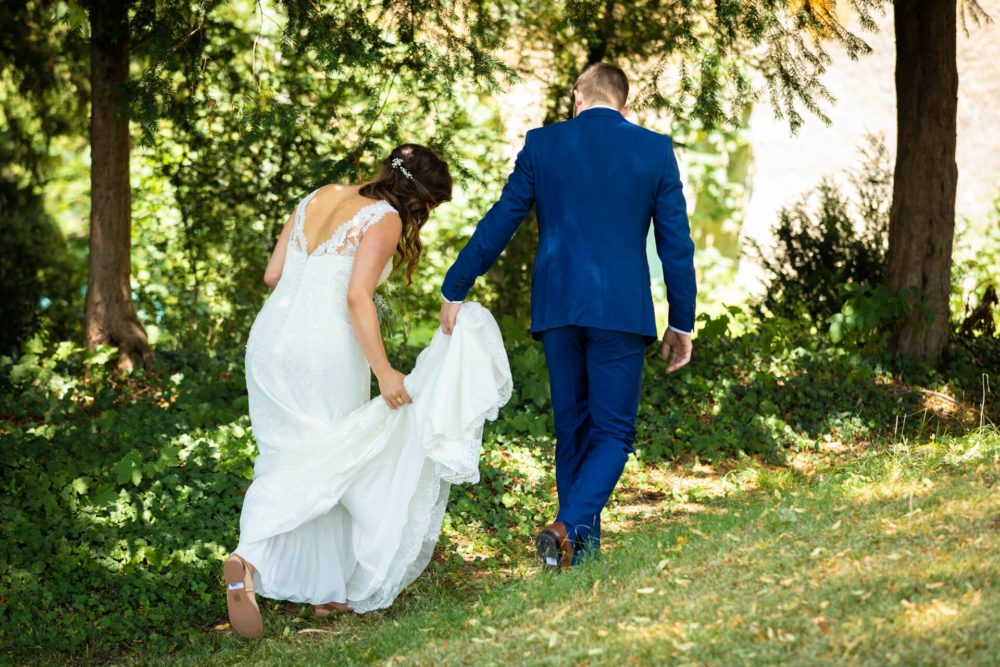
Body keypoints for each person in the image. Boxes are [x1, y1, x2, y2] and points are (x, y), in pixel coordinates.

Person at [223, 144, 512, 638]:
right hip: (324, 348)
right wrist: (384, 371)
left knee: (289, 453)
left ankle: (321, 587)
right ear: (421, 198)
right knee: (337, 454)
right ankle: (254, 559)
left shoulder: (317, 195)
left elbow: (274, 275)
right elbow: (357, 296)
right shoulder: (385, 218)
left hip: (269, 340)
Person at [439, 63, 696, 569]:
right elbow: (677, 246)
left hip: (558, 307)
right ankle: (568, 528)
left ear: (576, 96)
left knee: (573, 428)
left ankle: (575, 551)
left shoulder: (542, 144)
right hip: (620, 310)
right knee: (614, 434)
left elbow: (503, 218)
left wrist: (457, 282)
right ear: (626, 107)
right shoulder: (653, 149)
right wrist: (681, 319)